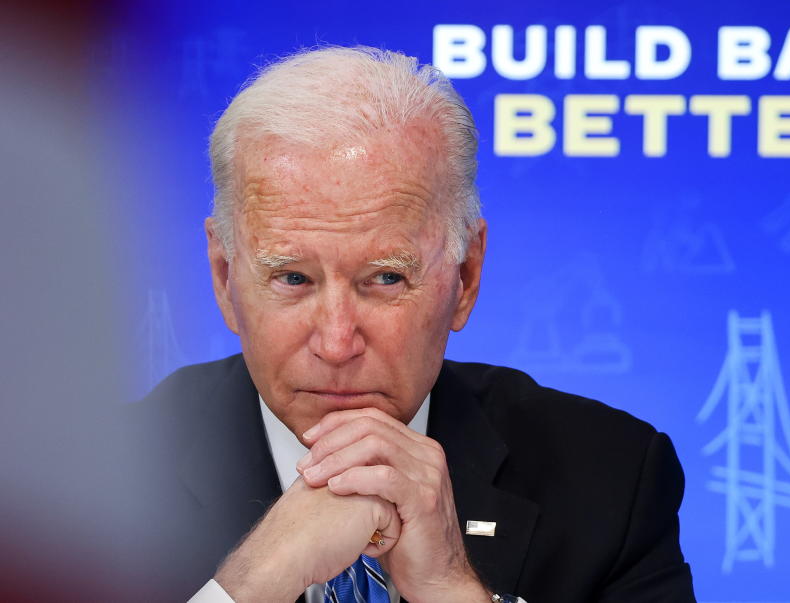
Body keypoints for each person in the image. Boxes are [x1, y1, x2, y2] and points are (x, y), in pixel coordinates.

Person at [131, 46, 696, 602]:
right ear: (225, 277)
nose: (335, 343)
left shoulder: (611, 477)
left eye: (385, 279)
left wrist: (451, 588)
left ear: (466, 277)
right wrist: (249, 587)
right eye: (293, 279)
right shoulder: (84, 489)